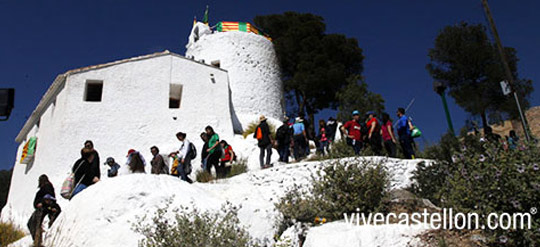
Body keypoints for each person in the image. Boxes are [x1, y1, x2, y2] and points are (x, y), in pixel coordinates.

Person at [27, 175, 61, 241]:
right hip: (43, 208)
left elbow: (49, 198)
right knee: (33, 224)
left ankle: (38, 241)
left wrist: (42, 203)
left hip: (43, 208)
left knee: (32, 224)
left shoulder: (47, 187)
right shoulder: (45, 188)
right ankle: (38, 240)